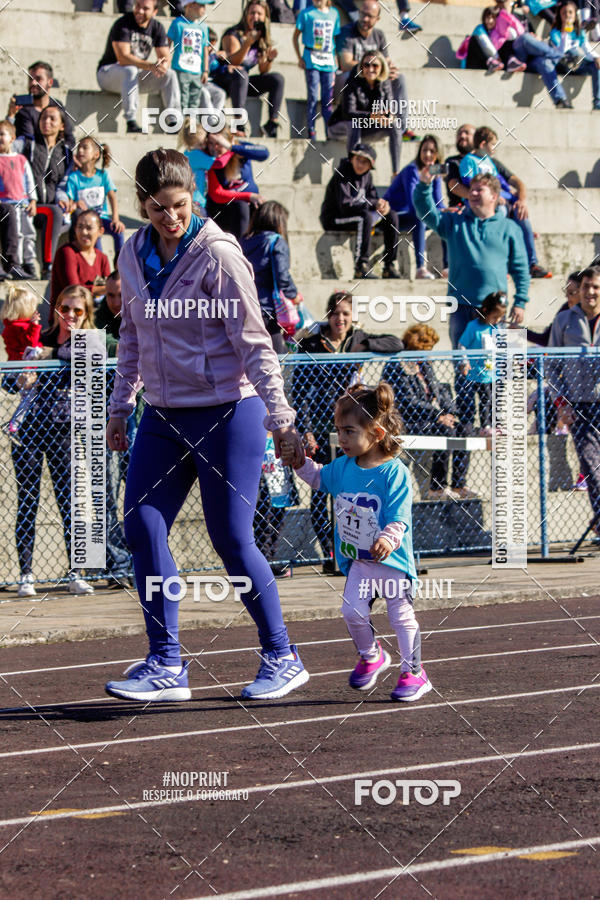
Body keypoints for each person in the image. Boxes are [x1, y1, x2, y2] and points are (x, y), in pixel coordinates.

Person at [104, 148, 309, 702]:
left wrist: (281, 418)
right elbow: (131, 336)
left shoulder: (218, 253)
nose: (171, 218)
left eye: (179, 205)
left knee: (232, 540)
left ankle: (281, 654)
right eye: (157, 209)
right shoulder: (131, 252)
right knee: (142, 527)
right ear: (142, 207)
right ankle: (166, 662)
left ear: (192, 197)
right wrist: (121, 405)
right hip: (164, 415)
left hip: (227, 410)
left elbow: (253, 342)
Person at [281, 382, 432, 702]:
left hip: (392, 562)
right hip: (359, 562)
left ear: (376, 433)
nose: (341, 438)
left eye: (349, 431)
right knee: (351, 612)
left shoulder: (394, 473)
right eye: (338, 431)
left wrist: (388, 538)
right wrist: (298, 462)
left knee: (401, 617)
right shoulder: (344, 467)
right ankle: (371, 655)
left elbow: (399, 517)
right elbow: (318, 477)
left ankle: (414, 672)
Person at [292, 291, 403, 569]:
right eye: (335, 313)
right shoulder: (313, 343)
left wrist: (364, 343)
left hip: (354, 424)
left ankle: (352, 547)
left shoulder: (357, 339)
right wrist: (306, 430)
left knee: (349, 493)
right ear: (328, 315)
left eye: (345, 313)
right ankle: (329, 552)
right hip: (320, 422)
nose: (340, 319)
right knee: (322, 488)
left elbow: (396, 343)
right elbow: (300, 392)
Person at [7, 285, 96, 597]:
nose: (69, 315)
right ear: (56, 308)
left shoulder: (88, 341)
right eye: (64, 308)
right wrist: (19, 377)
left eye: (77, 310)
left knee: (70, 501)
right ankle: (26, 574)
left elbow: (85, 368)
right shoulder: (38, 336)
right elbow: (10, 376)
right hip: (31, 430)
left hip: (64, 431)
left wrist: (49, 356)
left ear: (86, 315)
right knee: (28, 501)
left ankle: (75, 572)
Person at [414, 170, 530, 347]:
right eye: (471, 189)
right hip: (461, 307)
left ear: (494, 196)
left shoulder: (510, 228)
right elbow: (428, 214)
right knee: (463, 368)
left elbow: (521, 270)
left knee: (499, 368)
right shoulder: (454, 222)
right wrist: (424, 186)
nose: (472, 193)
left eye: (479, 190)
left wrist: (520, 302)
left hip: (496, 309)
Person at [382, 324, 476, 501]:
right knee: (446, 430)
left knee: (465, 429)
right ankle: (437, 487)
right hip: (411, 419)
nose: (428, 353)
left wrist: (450, 413)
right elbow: (408, 401)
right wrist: (438, 415)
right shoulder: (397, 365)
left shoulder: (424, 364)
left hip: (433, 415)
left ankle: (459, 483)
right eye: (426, 348)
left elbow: (439, 391)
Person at [457, 125, 551, 278]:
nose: (495, 148)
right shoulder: (469, 160)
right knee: (499, 216)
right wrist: (492, 196)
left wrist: (514, 196)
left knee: (522, 216)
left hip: (498, 199)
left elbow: (500, 181)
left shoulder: (489, 161)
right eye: (492, 144)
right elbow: (469, 181)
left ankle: (531, 264)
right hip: (481, 205)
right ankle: (500, 264)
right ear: (482, 144)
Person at [548, 266, 600, 534]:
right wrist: (562, 403)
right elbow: (551, 367)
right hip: (580, 406)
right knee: (592, 466)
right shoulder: (564, 320)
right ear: (579, 290)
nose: (590, 292)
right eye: (586, 287)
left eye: (595, 287)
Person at [95, 271, 135, 587]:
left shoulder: (150, 311)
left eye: (121, 295)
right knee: (107, 494)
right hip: (108, 419)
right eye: (110, 296)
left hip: (144, 416)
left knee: (141, 495)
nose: (116, 302)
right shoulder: (100, 318)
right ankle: (119, 564)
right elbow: (99, 343)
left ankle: (143, 560)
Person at [334, 1, 414, 141]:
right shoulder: (347, 32)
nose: (365, 19)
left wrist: (390, 69)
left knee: (398, 78)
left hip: (371, 85)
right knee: (349, 75)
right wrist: (373, 69)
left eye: (370, 16)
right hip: (348, 83)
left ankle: (401, 128)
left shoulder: (379, 36)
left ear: (377, 19)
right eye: (363, 14)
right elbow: (345, 63)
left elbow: (386, 61)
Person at [96, 0, 181, 134]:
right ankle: (131, 121)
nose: (140, 11)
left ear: (155, 12)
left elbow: (165, 55)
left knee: (169, 75)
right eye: (138, 6)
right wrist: (151, 66)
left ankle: (173, 122)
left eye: (145, 8)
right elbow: (123, 58)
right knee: (131, 69)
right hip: (108, 74)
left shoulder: (157, 27)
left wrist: (162, 66)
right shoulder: (123, 23)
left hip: (132, 78)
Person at [320, 143, 401, 279]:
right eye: (358, 159)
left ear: (370, 166)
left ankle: (389, 265)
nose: (360, 164)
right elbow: (345, 205)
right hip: (335, 217)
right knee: (365, 216)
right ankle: (361, 266)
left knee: (391, 216)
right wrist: (372, 204)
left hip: (358, 216)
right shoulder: (342, 173)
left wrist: (381, 206)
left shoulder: (367, 177)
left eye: (365, 162)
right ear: (352, 159)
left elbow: (373, 198)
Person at [15, 106, 73, 280]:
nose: (46, 122)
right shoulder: (26, 143)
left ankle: (60, 269)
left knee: (65, 212)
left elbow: (64, 183)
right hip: (25, 205)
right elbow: (7, 151)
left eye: (52, 119)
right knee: (53, 211)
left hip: (48, 208)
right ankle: (46, 266)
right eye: (43, 118)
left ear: (62, 126)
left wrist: (63, 198)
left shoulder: (66, 153)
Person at [213, 0, 284, 138]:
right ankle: (239, 123)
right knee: (241, 72)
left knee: (277, 79)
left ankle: (272, 124)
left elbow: (263, 70)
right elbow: (234, 62)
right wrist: (247, 43)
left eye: (259, 14)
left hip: (242, 82)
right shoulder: (232, 34)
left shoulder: (261, 38)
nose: (255, 17)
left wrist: (269, 59)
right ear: (246, 14)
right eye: (252, 13)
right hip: (226, 79)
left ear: (265, 17)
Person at [384, 134, 449, 279]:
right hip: (395, 216)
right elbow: (414, 205)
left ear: (438, 154)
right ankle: (420, 267)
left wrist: (446, 211)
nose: (427, 154)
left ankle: (447, 267)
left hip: (414, 215)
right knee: (422, 215)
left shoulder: (435, 172)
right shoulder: (411, 171)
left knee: (446, 218)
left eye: (432, 151)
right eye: (424, 150)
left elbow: (438, 201)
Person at [241, 200, 300, 353]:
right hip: (267, 310)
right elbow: (283, 277)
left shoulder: (243, 241)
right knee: (276, 358)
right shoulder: (276, 241)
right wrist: (293, 295)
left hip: (243, 308)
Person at [492, 0, 572, 107]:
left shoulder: (521, 17)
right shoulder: (493, 17)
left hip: (530, 59)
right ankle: (561, 57)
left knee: (545, 62)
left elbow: (532, 34)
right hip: (514, 57)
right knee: (524, 38)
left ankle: (560, 100)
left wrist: (536, 38)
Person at [64, 137, 125, 263]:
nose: (80, 150)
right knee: (94, 233)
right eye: (79, 147)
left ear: (96, 155)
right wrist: (75, 204)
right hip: (87, 222)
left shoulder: (102, 175)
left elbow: (112, 196)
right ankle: (99, 264)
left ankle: (120, 264)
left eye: (85, 147)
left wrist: (115, 219)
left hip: (102, 218)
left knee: (118, 231)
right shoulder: (74, 177)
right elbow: (70, 202)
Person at [344, 51, 403, 175]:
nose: (370, 69)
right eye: (366, 65)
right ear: (361, 67)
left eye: (375, 66)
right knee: (354, 123)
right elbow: (348, 113)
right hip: (342, 126)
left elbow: (390, 108)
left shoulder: (384, 83)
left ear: (381, 68)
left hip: (369, 126)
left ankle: (396, 172)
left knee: (395, 124)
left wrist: (389, 117)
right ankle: (351, 169)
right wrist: (371, 115)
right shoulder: (352, 82)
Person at [458, 291, 508, 435]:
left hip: (495, 372)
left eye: (500, 317)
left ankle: (497, 424)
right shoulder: (473, 327)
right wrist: (464, 361)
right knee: (485, 400)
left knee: (497, 398)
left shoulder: (498, 327)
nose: (497, 320)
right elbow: (462, 344)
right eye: (495, 317)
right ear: (485, 311)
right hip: (478, 373)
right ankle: (485, 426)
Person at [205, 125, 268, 239]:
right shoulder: (210, 160)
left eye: (219, 143)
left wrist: (231, 147)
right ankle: (241, 249)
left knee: (268, 209)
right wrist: (249, 196)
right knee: (241, 205)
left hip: (249, 206)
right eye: (211, 143)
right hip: (223, 209)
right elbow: (216, 194)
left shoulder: (239, 149)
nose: (214, 147)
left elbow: (264, 153)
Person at [50, 210, 111, 319]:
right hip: (67, 321)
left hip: (92, 320)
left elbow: (109, 291)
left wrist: (105, 289)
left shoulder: (103, 258)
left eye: (89, 228)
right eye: (80, 227)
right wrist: (101, 289)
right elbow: (74, 291)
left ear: (100, 231)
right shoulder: (67, 252)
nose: (84, 232)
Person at [0, 285, 43, 441]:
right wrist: (35, 326)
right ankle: (14, 425)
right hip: (23, 369)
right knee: (28, 398)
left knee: (30, 398)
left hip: (20, 367)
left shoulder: (10, 325)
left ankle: (17, 424)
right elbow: (30, 343)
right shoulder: (19, 327)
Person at [293, 0, 340, 140]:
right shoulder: (306, 13)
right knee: (313, 96)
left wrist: (336, 57)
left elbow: (334, 38)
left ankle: (329, 130)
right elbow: (295, 36)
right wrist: (299, 57)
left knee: (327, 99)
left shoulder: (334, 13)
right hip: (311, 58)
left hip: (328, 60)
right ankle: (311, 130)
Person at [7, 61, 75, 149]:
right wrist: (11, 115)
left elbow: (69, 139)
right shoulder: (23, 110)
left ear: (50, 82)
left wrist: (60, 155)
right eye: (30, 79)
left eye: (38, 79)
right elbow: (28, 144)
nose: (33, 83)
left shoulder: (57, 106)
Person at [0, 120, 37, 279]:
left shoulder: (21, 160)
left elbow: (29, 181)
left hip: (23, 204)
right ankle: (15, 265)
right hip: (5, 204)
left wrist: (33, 200)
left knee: (27, 234)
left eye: (2, 134)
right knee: (14, 234)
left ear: (12, 138)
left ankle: (27, 264)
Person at [550, 0, 600, 110]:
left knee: (596, 65)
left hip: (577, 64)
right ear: (560, 16)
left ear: (575, 14)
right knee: (572, 52)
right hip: (563, 64)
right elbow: (561, 52)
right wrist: (564, 34)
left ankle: (597, 102)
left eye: (570, 12)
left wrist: (596, 57)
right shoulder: (555, 32)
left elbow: (586, 47)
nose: (567, 16)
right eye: (564, 13)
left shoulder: (579, 31)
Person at [167, 0, 214, 110]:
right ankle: (182, 124)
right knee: (182, 99)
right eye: (201, 5)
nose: (204, 9)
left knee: (194, 100)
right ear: (190, 5)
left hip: (196, 70)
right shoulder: (178, 23)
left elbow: (205, 49)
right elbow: (167, 44)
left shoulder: (203, 27)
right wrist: (165, 61)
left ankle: (192, 124)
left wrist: (205, 70)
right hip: (180, 68)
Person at [178, 118, 214, 215]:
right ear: (192, 144)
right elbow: (215, 163)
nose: (204, 147)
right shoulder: (196, 155)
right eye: (201, 144)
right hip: (196, 201)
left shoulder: (187, 153)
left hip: (191, 199)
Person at [445, 122, 475, 208]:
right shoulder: (452, 161)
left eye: (466, 133)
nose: (462, 136)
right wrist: (478, 199)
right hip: (461, 209)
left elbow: (511, 178)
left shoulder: (484, 160)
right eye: (459, 133)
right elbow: (454, 186)